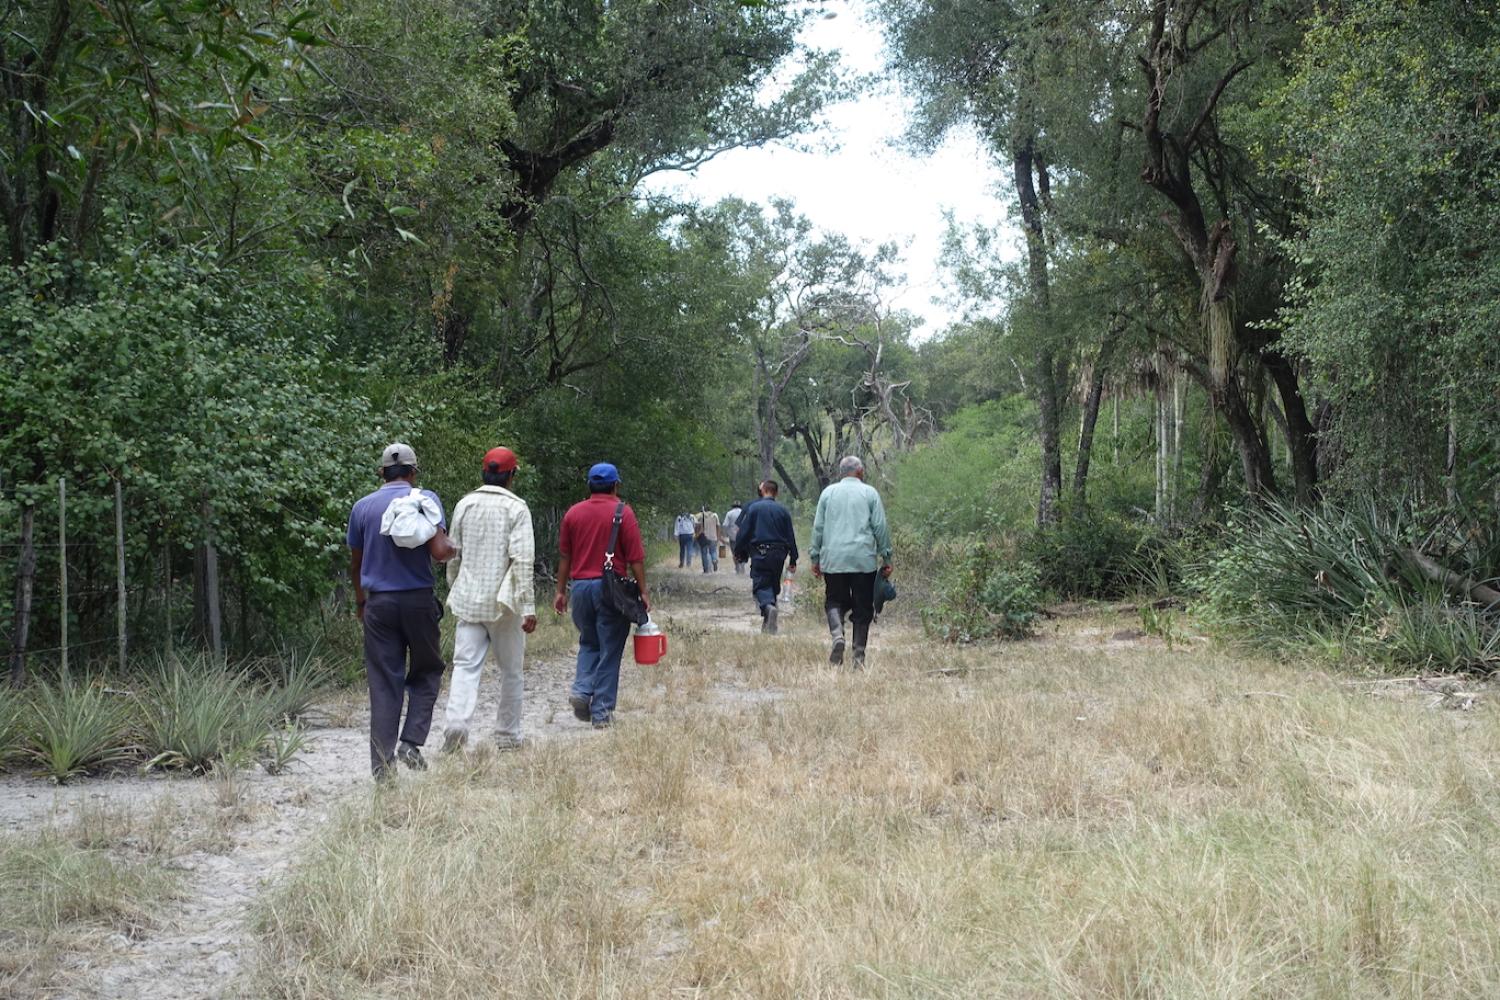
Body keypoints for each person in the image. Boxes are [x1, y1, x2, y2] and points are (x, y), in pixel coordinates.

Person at [347, 443, 456, 779]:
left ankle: (382, 769)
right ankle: (411, 741)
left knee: (383, 683)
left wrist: (362, 602)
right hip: (418, 601)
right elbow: (439, 552)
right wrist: (453, 546)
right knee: (428, 670)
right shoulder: (425, 499)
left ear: (381, 473)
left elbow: (356, 564)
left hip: (379, 604)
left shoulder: (362, 508)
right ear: (412, 472)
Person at [440, 447, 536, 753]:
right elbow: (522, 560)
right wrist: (529, 608)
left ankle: (457, 723)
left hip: (469, 598)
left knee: (465, 666)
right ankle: (507, 735)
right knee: (511, 670)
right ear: (511, 475)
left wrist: (454, 586)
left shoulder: (465, 504)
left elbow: (453, 552)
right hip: (504, 604)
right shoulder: (517, 508)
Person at [553, 463, 650, 728]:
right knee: (610, 649)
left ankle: (582, 691)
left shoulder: (573, 513)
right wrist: (642, 591)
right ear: (615, 485)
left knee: (589, 642)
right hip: (612, 590)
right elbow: (636, 558)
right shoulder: (623, 512)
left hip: (581, 587)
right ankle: (602, 713)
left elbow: (565, 556)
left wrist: (560, 591)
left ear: (589, 485)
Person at [809, 455, 893, 667]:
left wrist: (815, 557)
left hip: (833, 559)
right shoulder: (869, 493)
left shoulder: (828, 493)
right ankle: (858, 656)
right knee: (862, 607)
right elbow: (880, 527)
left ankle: (838, 635)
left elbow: (818, 527)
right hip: (863, 561)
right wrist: (886, 556)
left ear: (841, 472)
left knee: (834, 600)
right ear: (860, 471)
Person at [733, 481, 799, 634]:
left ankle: (769, 607)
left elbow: (744, 533)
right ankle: (769, 625)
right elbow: (791, 536)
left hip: (760, 552)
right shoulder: (783, 511)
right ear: (776, 493)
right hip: (779, 554)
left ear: (762, 490)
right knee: (773, 585)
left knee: (761, 586)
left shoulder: (754, 508)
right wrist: (793, 558)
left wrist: (738, 551)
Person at [694, 505, 721, 573]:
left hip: (705, 537)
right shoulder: (715, 515)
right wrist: (718, 536)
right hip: (713, 536)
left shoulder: (701, 516)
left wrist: (696, 535)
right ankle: (714, 560)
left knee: (704, 553)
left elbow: (699, 527)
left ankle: (706, 569)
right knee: (713, 551)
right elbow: (718, 526)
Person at [722, 501, 745, 574]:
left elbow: (725, 525)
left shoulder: (729, 513)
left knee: (734, 552)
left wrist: (725, 534)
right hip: (743, 536)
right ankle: (742, 565)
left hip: (733, 537)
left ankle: (737, 566)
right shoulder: (744, 513)